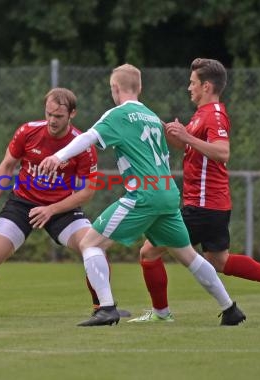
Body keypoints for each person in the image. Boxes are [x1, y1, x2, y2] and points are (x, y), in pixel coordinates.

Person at [40, 64, 246, 327]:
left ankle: (106, 308)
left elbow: (88, 138)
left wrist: (57, 157)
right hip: (168, 193)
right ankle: (230, 309)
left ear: (115, 88)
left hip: (144, 194)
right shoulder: (150, 115)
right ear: (140, 88)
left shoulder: (119, 114)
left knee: (90, 243)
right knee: (188, 256)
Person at [129, 58, 260, 323]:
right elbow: (188, 145)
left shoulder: (213, 115)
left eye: (192, 83)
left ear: (206, 86)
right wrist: (165, 128)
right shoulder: (202, 114)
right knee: (219, 260)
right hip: (212, 204)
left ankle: (162, 313)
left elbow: (222, 152)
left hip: (202, 205)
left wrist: (188, 136)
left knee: (148, 252)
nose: (188, 87)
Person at [0, 88, 129, 317]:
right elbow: (7, 165)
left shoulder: (82, 145)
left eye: (59, 116)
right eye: (49, 114)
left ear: (72, 114)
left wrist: (51, 209)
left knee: (93, 247)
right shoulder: (28, 131)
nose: (52, 121)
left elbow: (87, 192)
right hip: (22, 203)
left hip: (62, 208)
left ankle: (102, 307)